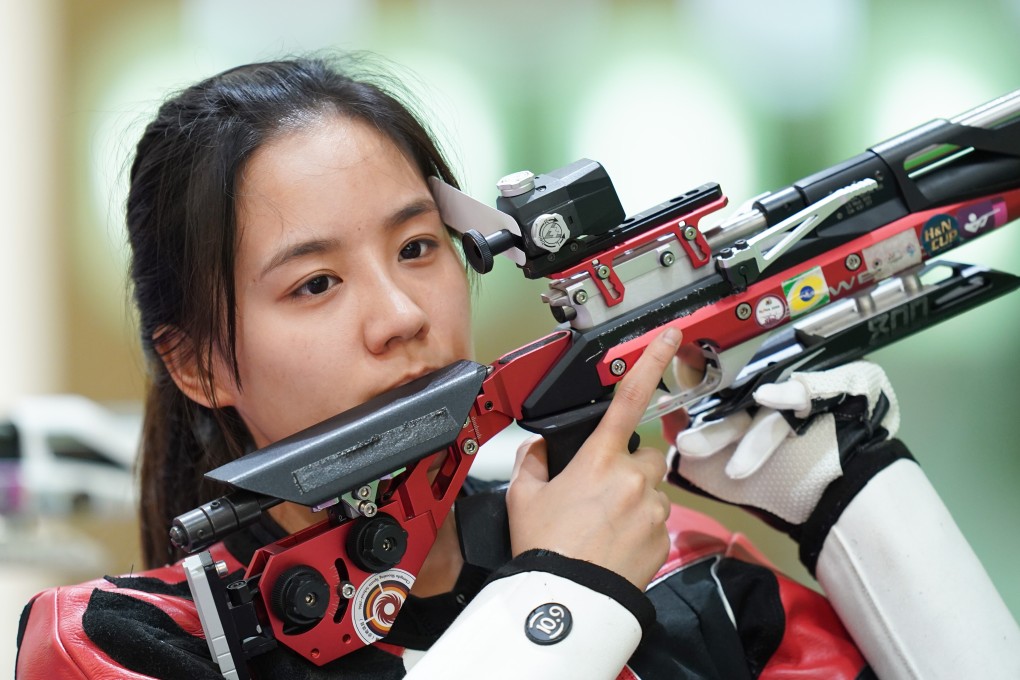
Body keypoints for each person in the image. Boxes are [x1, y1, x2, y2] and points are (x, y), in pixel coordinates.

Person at [14, 56, 1020, 679]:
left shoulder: (680, 565)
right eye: (316, 283)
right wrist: (563, 595)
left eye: (418, 249)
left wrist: (853, 497)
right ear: (197, 364)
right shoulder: (121, 644)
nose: (404, 314)